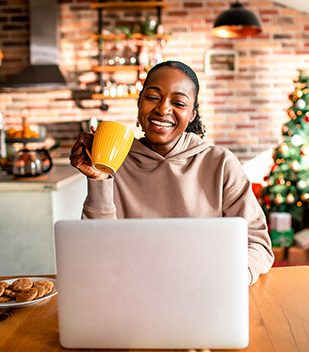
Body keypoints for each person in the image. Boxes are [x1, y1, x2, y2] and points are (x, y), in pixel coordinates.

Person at [70, 60, 274, 286]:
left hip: (205, 290)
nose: (163, 109)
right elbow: (98, 252)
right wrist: (99, 179)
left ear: (192, 114)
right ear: (139, 103)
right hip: (133, 289)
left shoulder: (221, 163)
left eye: (178, 102)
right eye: (153, 98)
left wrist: (234, 278)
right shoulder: (115, 164)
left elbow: (257, 244)